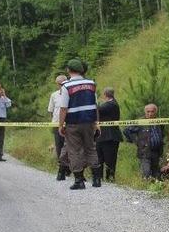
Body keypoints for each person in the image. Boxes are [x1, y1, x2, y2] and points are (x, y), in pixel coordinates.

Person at [58, 59, 101, 189]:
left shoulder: (66, 86)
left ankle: (79, 181)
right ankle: (96, 179)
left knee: (74, 150)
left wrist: (60, 125)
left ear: (68, 70)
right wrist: (97, 123)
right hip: (89, 121)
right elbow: (95, 105)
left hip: (73, 123)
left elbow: (63, 108)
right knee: (91, 148)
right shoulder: (91, 84)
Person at [123, 103, 163, 179]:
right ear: (145, 112)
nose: (150, 114)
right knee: (146, 173)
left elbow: (161, 134)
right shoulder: (140, 121)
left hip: (156, 152)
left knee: (156, 174)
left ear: (155, 112)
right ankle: (144, 187)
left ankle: (154, 189)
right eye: (148, 112)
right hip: (145, 151)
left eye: (152, 111)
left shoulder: (159, 122)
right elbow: (126, 130)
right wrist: (136, 140)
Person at [96, 87, 122, 181]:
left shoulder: (112, 104)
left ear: (105, 94)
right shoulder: (109, 104)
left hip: (110, 136)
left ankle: (110, 178)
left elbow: (98, 109)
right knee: (99, 158)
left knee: (110, 159)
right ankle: (98, 177)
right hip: (101, 136)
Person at [48, 75, 70, 180]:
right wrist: (54, 123)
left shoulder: (70, 93)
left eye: (62, 83)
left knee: (70, 147)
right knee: (59, 147)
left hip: (69, 124)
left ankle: (69, 168)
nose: (61, 85)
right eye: (59, 84)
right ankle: (62, 169)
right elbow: (51, 110)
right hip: (57, 124)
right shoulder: (54, 95)